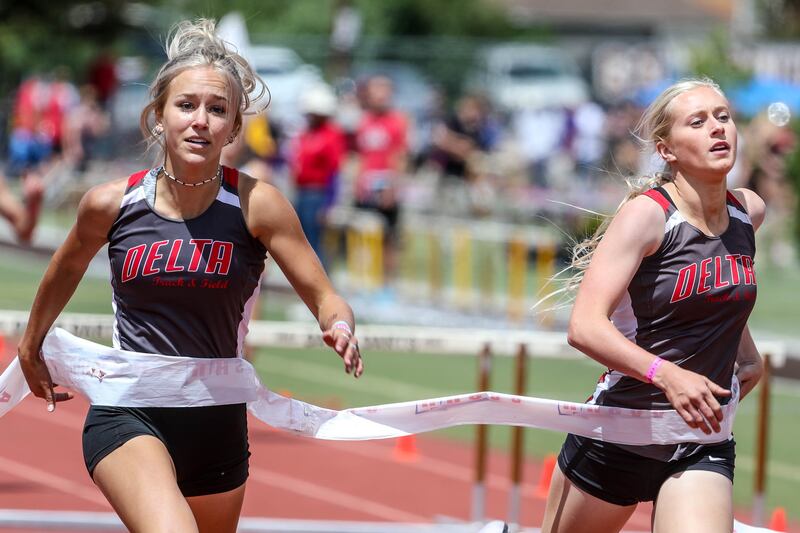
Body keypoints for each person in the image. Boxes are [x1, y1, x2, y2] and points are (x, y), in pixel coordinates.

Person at [17, 19, 363, 533]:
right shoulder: (111, 204)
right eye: (186, 105)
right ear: (158, 117)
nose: (200, 121)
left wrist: (340, 327)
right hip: (128, 411)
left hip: (217, 420)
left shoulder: (257, 206)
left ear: (234, 127)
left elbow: (325, 296)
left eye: (217, 109)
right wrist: (30, 344)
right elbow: (64, 268)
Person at [541, 78, 765, 533]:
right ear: (666, 150)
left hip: (701, 436)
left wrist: (746, 352)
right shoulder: (648, 217)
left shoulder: (748, 213)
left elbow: (721, 294)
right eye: (698, 122)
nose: (717, 129)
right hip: (620, 432)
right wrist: (667, 375)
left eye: (723, 117)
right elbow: (583, 326)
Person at [290, 84, 346, 266]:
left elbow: (334, 171)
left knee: (316, 242)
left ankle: (322, 281)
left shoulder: (331, 135)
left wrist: (329, 203)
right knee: (302, 240)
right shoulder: (306, 133)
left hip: (318, 195)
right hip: (302, 192)